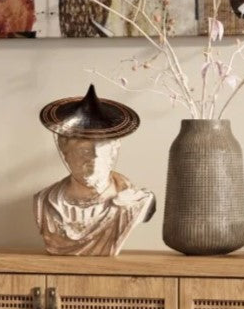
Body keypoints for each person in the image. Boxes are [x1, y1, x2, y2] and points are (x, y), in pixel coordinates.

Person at [35, 85, 155, 255]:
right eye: (84, 150)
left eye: (103, 149)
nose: (95, 157)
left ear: (114, 152)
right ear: (65, 151)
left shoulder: (134, 202)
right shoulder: (45, 201)